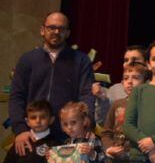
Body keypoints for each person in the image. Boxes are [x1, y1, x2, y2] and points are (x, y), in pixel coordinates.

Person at [8, 12, 94, 152]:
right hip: (32, 135)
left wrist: (86, 125)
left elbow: (87, 95)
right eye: (51, 27)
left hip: (68, 135)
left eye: (61, 28)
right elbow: (17, 96)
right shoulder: (27, 59)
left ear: (68, 33)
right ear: (42, 30)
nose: (56, 32)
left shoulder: (81, 61)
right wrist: (20, 129)